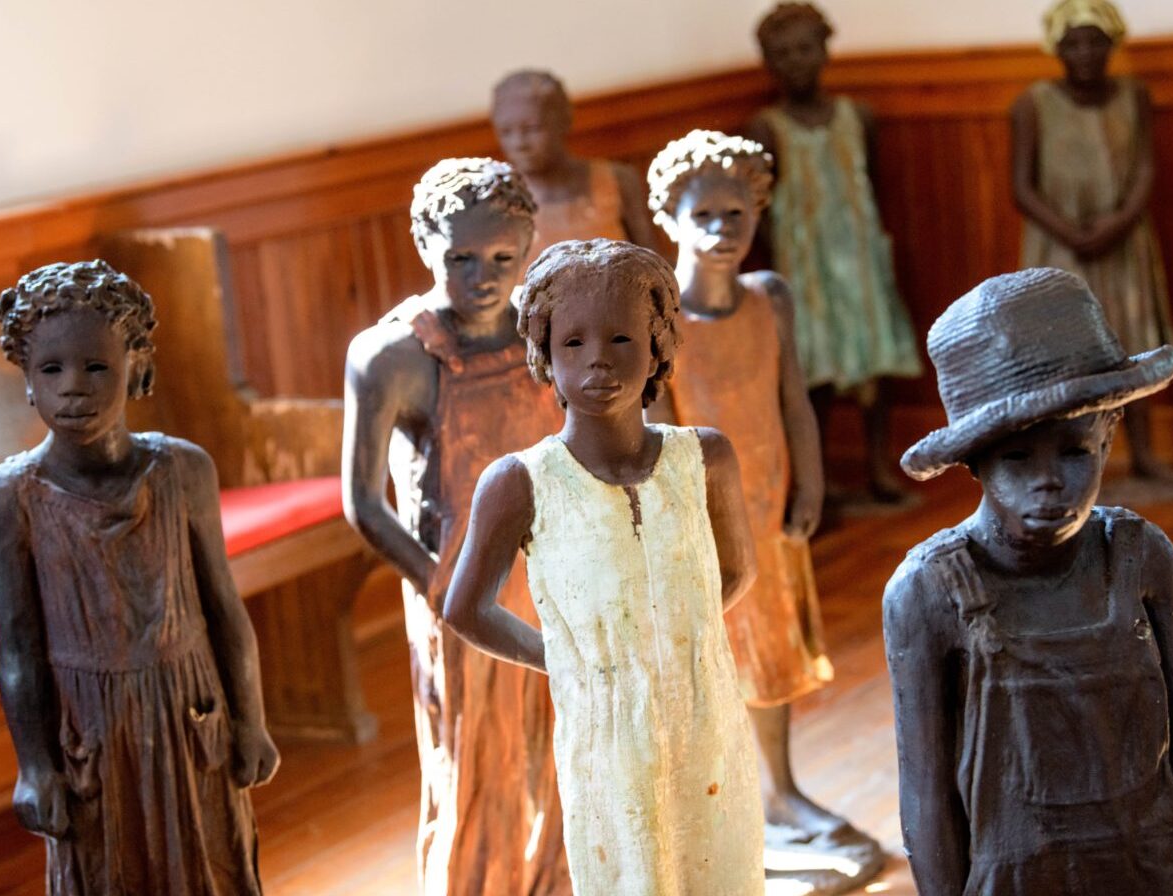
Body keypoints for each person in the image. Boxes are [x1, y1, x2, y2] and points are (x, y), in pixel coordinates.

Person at [884, 267, 1173, 896]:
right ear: (974, 460)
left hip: (1155, 868)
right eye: (1017, 458)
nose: (1048, 483)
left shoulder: (1139, 557)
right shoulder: (929, 591)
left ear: (1109, 437)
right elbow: (926, 794)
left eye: (1073, 451)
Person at [444, 239, 766, 895]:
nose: (598, 360)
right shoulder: (520, 482)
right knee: (632, 869)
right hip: (606, 731)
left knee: (720, 864)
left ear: (658, 346)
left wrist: (676, 645)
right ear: (543, 351)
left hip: (707, 718)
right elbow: (465, 607)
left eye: (622, 339)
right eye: (572, 344)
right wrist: (574, 658)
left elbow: (735, 572)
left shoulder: (704, 459)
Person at [0, 260, 278, 894]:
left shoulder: (182, 471)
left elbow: (224, 607)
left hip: (188, 710)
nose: (73, 390)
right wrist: (33, 767)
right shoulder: (7, 499)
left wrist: (250, 721)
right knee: (106, 870)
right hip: (89, 729)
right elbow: (18, 650)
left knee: (210, 862)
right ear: (27, 382)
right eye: (50, 370)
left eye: (96, 368)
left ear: (136, 368)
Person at [645, 129, 883, 890]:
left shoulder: (768, 297)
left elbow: (795, 402)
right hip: (706, 526)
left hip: (772, 508)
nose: (722, 230)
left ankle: (781, 788)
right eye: (705, 214)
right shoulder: (659, 315)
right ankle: (735, 805)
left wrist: (810, 484)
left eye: (738, 214)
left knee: (775, 658)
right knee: (718, 665)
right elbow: (660, 431)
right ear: (669, 219)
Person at [341, 159, 569, 895]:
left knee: (572, 739)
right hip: (461, 587)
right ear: (423, 243)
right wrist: (444, 586)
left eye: (505, 257)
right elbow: (364, 502)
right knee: (477, 760)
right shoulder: (393, 357)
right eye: (460, 258)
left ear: (530, 242)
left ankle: (564, 880)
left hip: (561, 572)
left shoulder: (549, 328)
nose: (484, 276)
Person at [1012, 0, 1173, 499]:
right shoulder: (1033, 104)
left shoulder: (1134, 97)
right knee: (1064, 353)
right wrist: (1070, 232)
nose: (1086, 53)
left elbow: (1144, 169)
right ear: (1056, 48)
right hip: (1060, 250)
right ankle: (1066, 463)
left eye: (1096, 41)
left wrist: (1118, 221)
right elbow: (1022, 187)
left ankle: (1145, 456)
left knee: (1129, 344)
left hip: (1124, 243)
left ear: (1113, 44)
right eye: (1073, 43)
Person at [747, 2, 922, 504]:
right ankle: (818, 474)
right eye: (782, 54)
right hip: (806, 268)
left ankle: (879, 465)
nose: (796, 62)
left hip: (860, 259)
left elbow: (874, 186)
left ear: (825, 50)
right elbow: (758, 209)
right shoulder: (766, 128)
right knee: (814, 373)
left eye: (805, 49)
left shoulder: (856, 117)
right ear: (768, 62)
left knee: (875, 362)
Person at [491, 70, 660, 268]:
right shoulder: (497, 202)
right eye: (506, 132)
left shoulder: (616, 180)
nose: (519, 144)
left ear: (563, 121)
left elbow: (653, 264)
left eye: (532, 128)